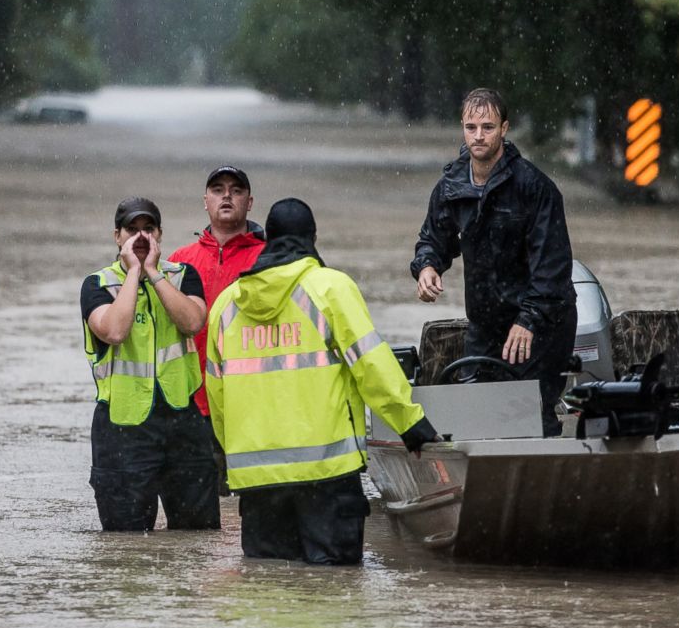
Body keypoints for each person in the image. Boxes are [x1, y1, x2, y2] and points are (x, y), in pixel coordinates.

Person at [206, 198, 439, 564]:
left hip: (259, 485)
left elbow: (217, 398)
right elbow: (371, 366)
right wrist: (411, 424)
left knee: (267, 595)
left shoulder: (226, 305)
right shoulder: (330, 289)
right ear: (312, 239)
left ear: (267, 240)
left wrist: (234, 455)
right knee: (335, 591)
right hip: (328, 478)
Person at [410, 88, 577, 437]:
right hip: (486, 323)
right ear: (462, 129)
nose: (479, 136)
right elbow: (434, 239)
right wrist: (427, 266)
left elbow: (552, 268)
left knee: (530, 419)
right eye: (471, 127)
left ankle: (541, 477)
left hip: (542, 322)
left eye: (487, 127)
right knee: (480, 416)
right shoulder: (451, 185)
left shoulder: (534, 188)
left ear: (504, 129)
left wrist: (528, 321)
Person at [81, 196, 220, 531]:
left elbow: (192, 322)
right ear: (118, 237)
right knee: (125, 547)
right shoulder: (97, 285)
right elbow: (114, 330)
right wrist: (133, 272)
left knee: (196, 539)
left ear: (160, 235)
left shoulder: (183, 276)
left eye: (148, 229)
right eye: (132, 230)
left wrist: (154, 272)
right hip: (122, 429)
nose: (141, 237)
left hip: (182, 424)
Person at [168, 166, 265, 491]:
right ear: (205, 201)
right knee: (198, 515)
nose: (227, 195)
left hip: (251, 405)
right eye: (218, 189)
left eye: (236, 190)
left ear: (249, 202)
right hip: (192, 404)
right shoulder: (179, 262)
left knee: (247, 504)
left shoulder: (270, 258)